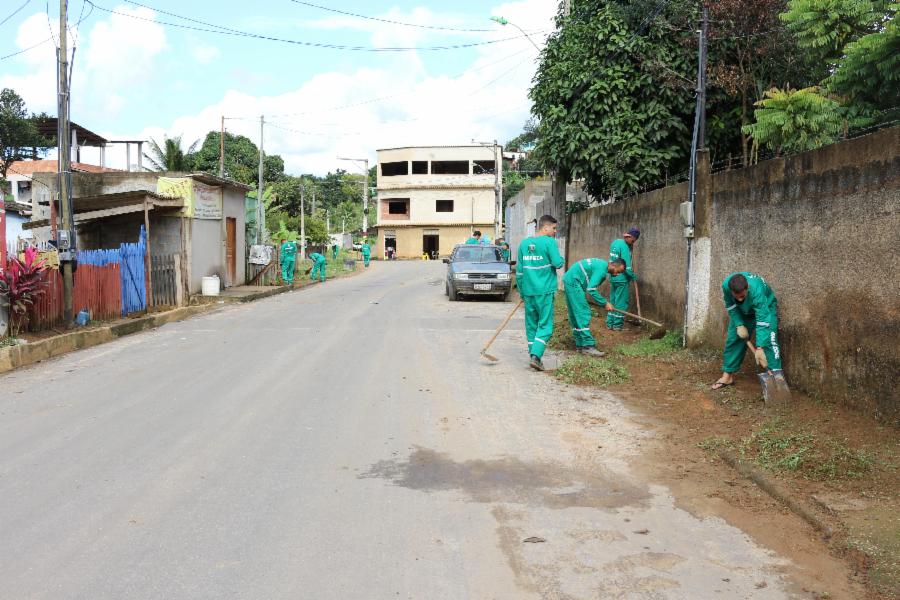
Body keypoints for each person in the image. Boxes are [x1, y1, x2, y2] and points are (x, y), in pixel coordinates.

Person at [712, 272, 785, 390]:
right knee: (734, 339)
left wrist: (760, 347)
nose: (740, 298)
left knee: (769, 340)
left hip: (766, 309)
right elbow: (730, 305)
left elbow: (763, 320)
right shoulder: (726, 285)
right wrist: (739, 324)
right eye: (737, 296)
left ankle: (777, 382)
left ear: (748, 288)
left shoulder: (757, 291)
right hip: (743, 311)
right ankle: (727, 377)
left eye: (743, 296)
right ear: (731, 291)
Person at [516, 215, 565, 371]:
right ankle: (536, 356)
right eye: (554, 228)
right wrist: (560, 259)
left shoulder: (524, 244)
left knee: (531, 325)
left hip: (529, 292)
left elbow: (519, 273)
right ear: (545, 227)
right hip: (545, 291)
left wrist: (522, 293)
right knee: (545, 325)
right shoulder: (550, 242)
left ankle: (533, 356)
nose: (555, 231)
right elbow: (558, 263)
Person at [563, 258, 626, 356]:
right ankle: (588, 346)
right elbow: (591, 289)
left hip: (570, 279)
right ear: (613, 265)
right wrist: (605, 303)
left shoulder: (601, 266)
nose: (617, 274)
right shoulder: (601, 270)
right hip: (574, 282)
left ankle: (580, 344)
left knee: (576, 313)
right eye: (619, 271)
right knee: (583, 312)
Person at [605, 228, 640, 330]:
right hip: (622, 279)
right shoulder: (625, 247)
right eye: (633, 240)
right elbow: (627, 267)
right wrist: (633, 276)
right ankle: (617, 326)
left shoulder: (615, 243)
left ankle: (609, 323)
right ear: (629, 237)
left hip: (613, 277)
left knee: (613, 301)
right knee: (621, 303)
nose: (632, 243)